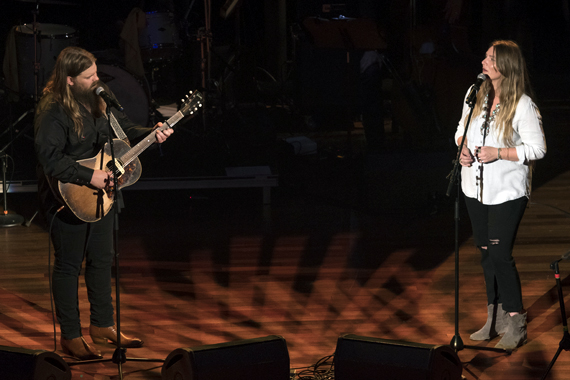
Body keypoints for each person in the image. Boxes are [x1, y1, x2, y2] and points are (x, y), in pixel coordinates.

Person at [34, 46, 173, 360]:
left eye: (96, 73)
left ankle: (103, 325)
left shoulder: (100, 95)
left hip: (105, 192)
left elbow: (122, 132)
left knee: (102, 258)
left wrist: (151, 133)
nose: (97, 79)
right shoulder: (52, 109)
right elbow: (51, 160)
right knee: (70, 265)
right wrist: (89, 176)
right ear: (69, 80)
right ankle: (71, 335)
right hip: (68, 193)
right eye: (89, 76)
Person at [455, 40, 546, 350]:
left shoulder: (522, 104)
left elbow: (537, 148)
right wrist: (463, 149)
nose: (484, 60)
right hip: (474, 189)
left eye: (491, 58)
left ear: (506, 66)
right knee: (484, 253)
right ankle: (494, 318)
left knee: (499, 255)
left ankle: (516, 320)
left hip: (506, 192)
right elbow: (459, 130)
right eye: (485, 55)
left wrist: (499, 153)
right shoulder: (475, 94)